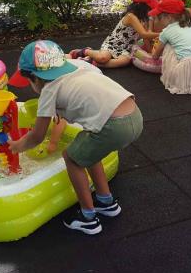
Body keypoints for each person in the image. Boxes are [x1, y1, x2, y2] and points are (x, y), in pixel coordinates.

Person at [8, 40, 143, 235]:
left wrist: (18, 146)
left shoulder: (48, 90)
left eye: (30, 83)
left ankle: (88, 217)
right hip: (134, 115)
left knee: (72, 158)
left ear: (36, 78)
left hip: (113, 126)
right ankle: (106, 202)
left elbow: (37, 137)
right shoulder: (80, 66)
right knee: (85, 147)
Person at [7, 58, 103, 155]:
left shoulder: (54, 89)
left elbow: (44, 131)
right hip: (96, 78)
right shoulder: (57, 66)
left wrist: (53, 143)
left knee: (71, 156)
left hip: (96, 98)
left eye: (30, 81)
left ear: (36, 78)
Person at [69, 0, 159, 68]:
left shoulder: (144, 19)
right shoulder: (131, 16)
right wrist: (163, 33)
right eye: (148, 5)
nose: (150, 8)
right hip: (112, 44)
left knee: (125, 61)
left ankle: (93, 62)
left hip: (126, 48)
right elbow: (145, 34)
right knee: (103, 58)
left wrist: (150, 52)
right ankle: (86, 51)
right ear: (141, 5)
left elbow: (145, 38)